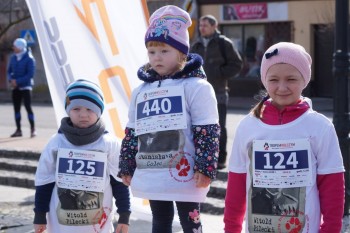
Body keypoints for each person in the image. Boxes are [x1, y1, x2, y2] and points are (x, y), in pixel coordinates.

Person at [118, 5, 220, 233]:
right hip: (153, 173)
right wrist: (127, 163)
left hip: (185, 173)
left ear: (182, 53)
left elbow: (208, 129)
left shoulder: (197, 87)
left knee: (190, 220)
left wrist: (205, 167)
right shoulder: (140, 91)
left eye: (164, 51)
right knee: (160, 220)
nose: (157, 58)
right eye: (152, 52)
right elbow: (133, 130)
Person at [224, 42, 345, 233]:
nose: (282, 87)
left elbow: (332, 184)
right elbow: (237, 185)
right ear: (264, 80)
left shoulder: (320, 126)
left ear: (304, 79)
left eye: (291, 79)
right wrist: (231, 228)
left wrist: (330, 228)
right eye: (273, 80)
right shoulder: (248, 126)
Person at [33, 79, 131, 233]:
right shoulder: (56, 143)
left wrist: (124, 216)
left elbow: (119, 182)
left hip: (97, 225)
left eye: (90, 109)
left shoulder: (109, 144)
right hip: (62, 225)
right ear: (68, 110)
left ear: (99, 111)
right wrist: (39, 215)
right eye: (76, 109)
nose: (83, 115)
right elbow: (44, 181)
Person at [191, 15, 242, 169]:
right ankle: (204, 158)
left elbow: (237, 64)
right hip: (198, 95)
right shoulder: (196, 45)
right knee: (200, 126)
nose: (202, 28)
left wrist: (219, 72)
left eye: (205, 25)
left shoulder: (223, 43)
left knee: (219, 126)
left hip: (219, 92)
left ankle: (220, 160)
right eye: (200, 25)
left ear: (214, 26)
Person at [7, 38, 37, 138]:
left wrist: (17, 81)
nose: (13, 48)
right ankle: (18, 130)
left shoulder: (29, 58)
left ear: (20, 47)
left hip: (26, 87)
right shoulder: (13, 57)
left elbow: (30, 74)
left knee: (28, 107)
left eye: (14, 46)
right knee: (16, 109)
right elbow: (9, 71)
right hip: (15, 87)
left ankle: (33, 129)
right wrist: (11, 80)